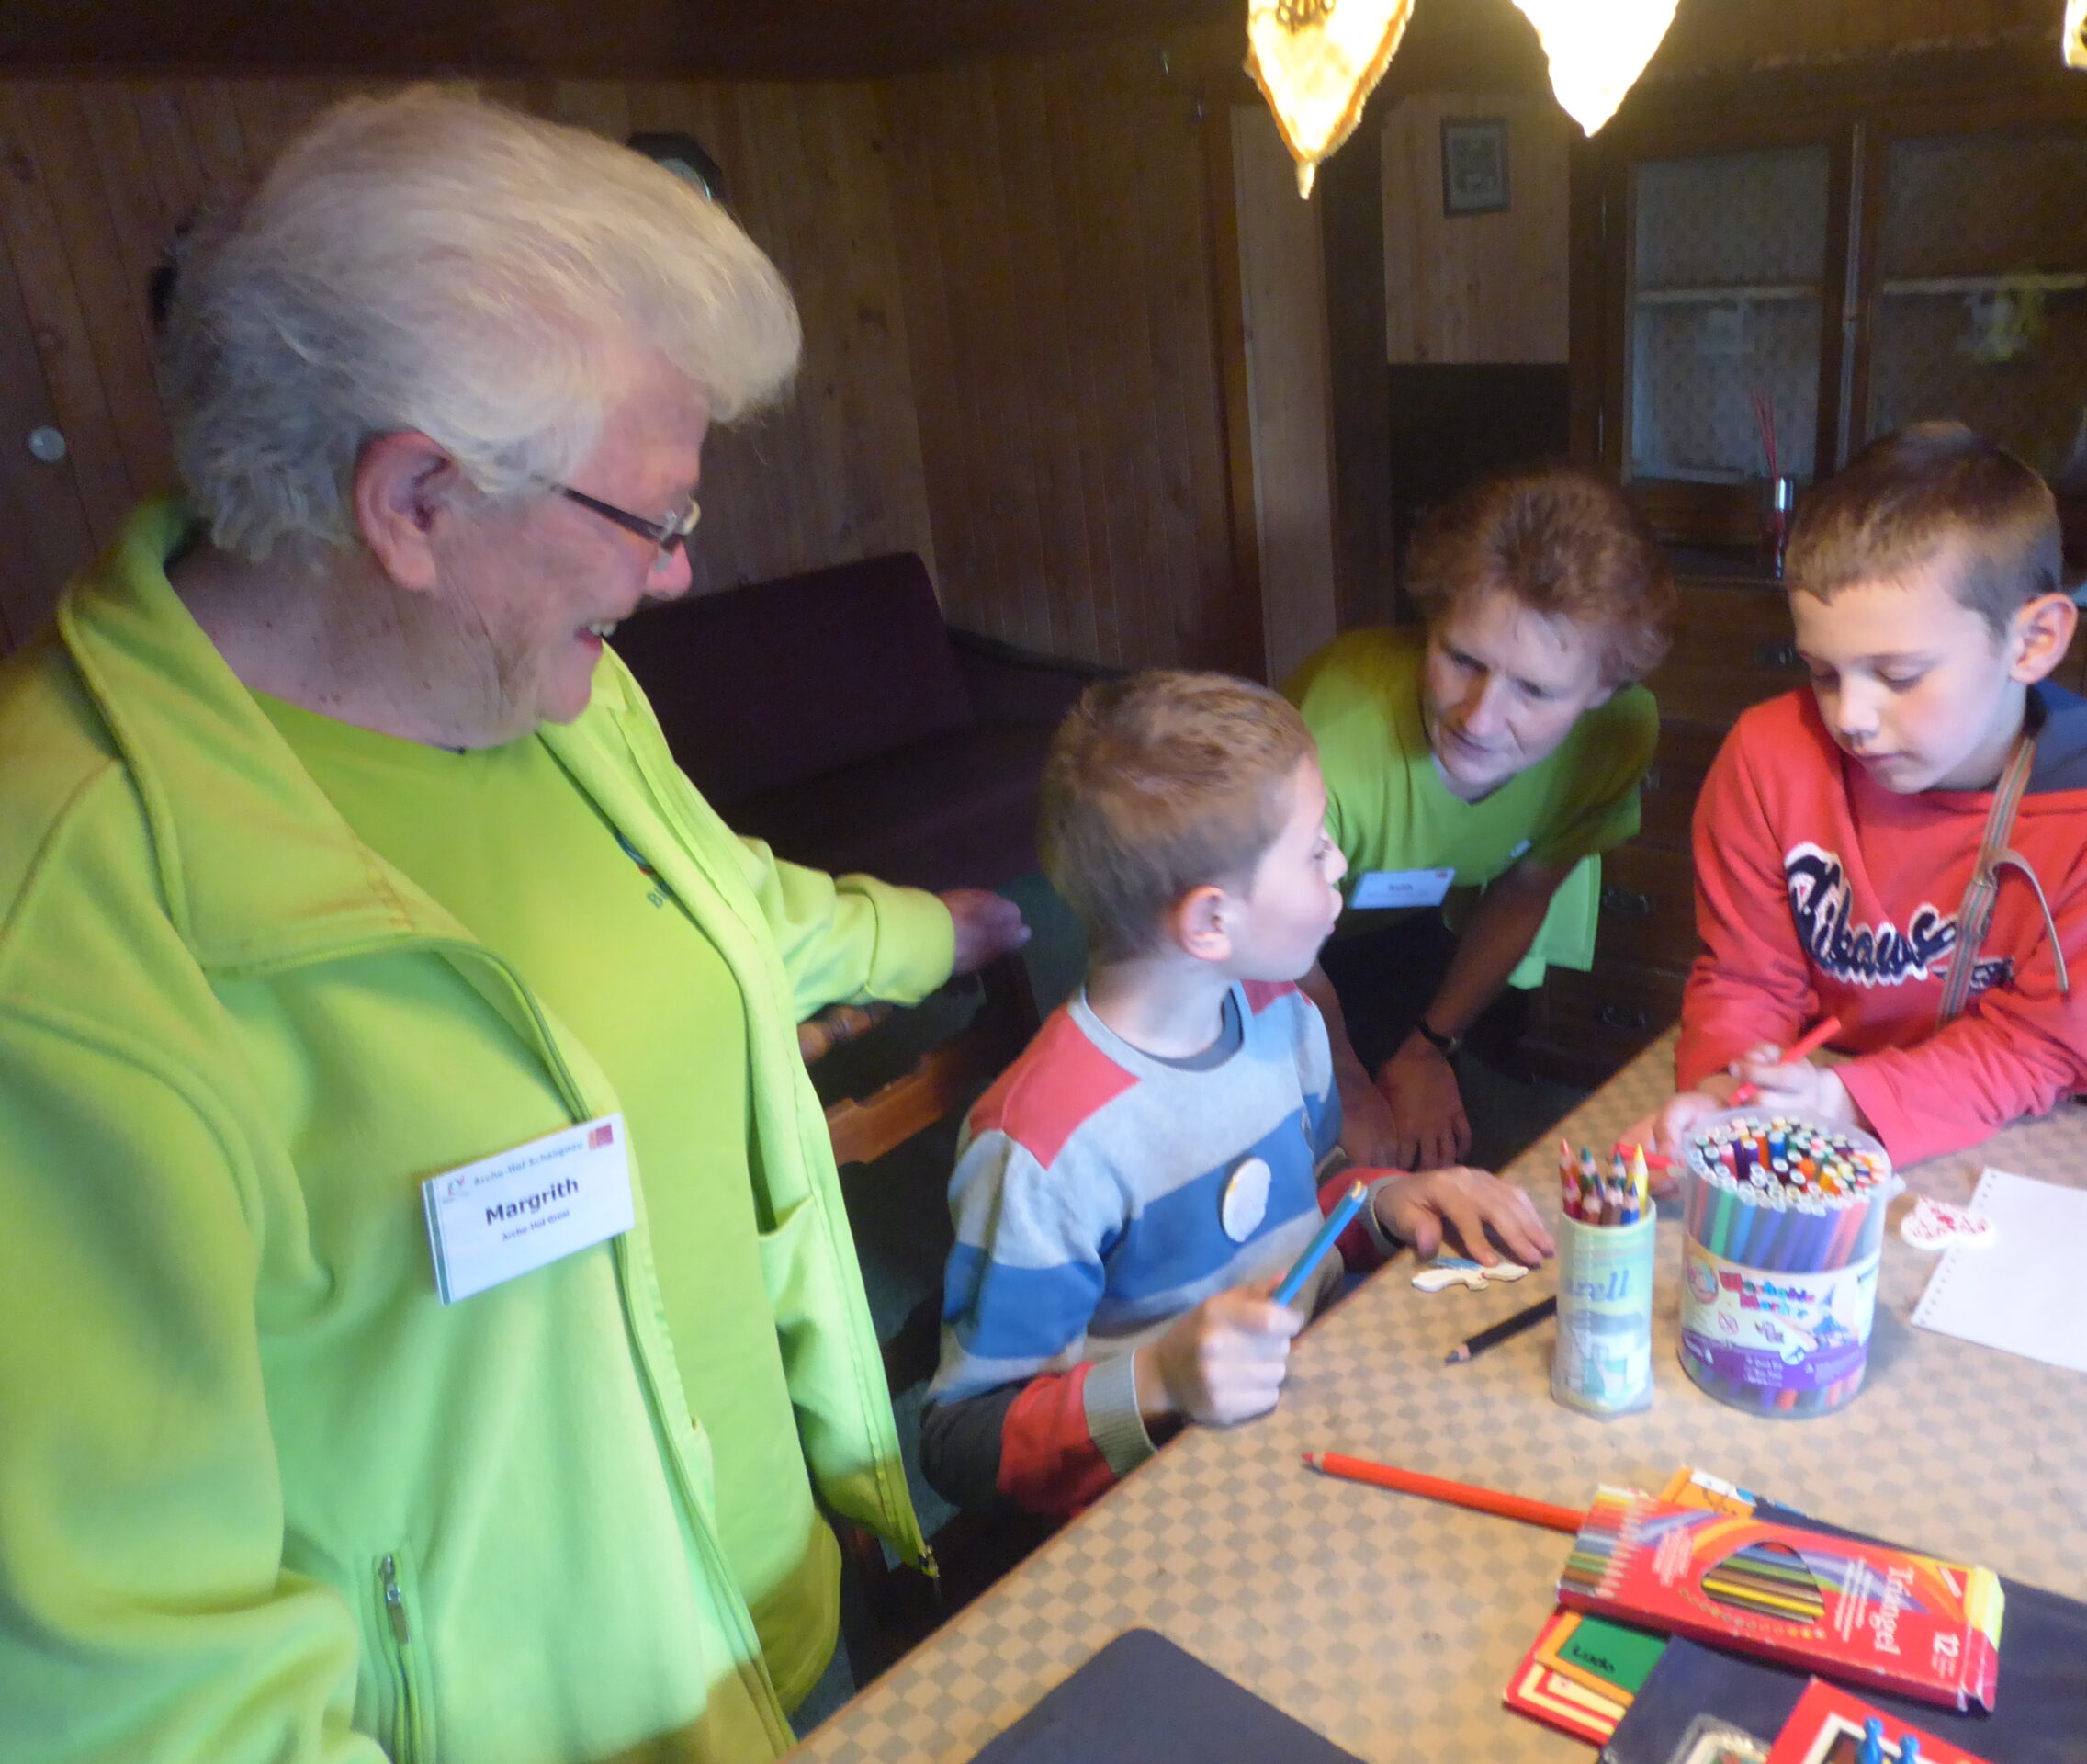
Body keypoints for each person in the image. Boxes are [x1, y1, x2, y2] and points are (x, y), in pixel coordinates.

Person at [0, 88, 1029, 1762]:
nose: (679, 572)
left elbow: (715, 910)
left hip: (777, 1638)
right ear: (416, 501)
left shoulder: (557, 691)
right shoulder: (59, 919)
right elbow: (142, 1697)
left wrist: (930, 932)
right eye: (656, 518)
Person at [919, 673, 1552, 1517]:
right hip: (1171, 1504)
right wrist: (1161, 1378)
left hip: (1311, 1415)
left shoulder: (1283, 1017)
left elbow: (1309, 1195)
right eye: (1314, 848)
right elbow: (962, 1442)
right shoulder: (1043, 1148)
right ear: (1211, 922)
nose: (1341, 862)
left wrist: (1384, 1202)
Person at [1628, 423, 2087, 1170]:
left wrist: (1844, 1102)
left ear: (2034, 641)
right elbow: (1746, 979)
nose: (1851, 718)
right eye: (1823, 673)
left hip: (2005, 1136)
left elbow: (2045, 1047)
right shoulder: (1768, 758)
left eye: (1898, 676)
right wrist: (1724, 1088)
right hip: (1812, 1111)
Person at [1286, 467, 1675, 1171]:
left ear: (1604, 689)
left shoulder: (1617, 736)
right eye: (1462, 659)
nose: (1480, 719)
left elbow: (1527, 889)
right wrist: (1345, 1079)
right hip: (1262, 944)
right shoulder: (1330, 750)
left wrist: (1429, 1049)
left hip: (1411, 927)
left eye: (1536, 691)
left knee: (1441, 1154)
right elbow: (1273, 939)